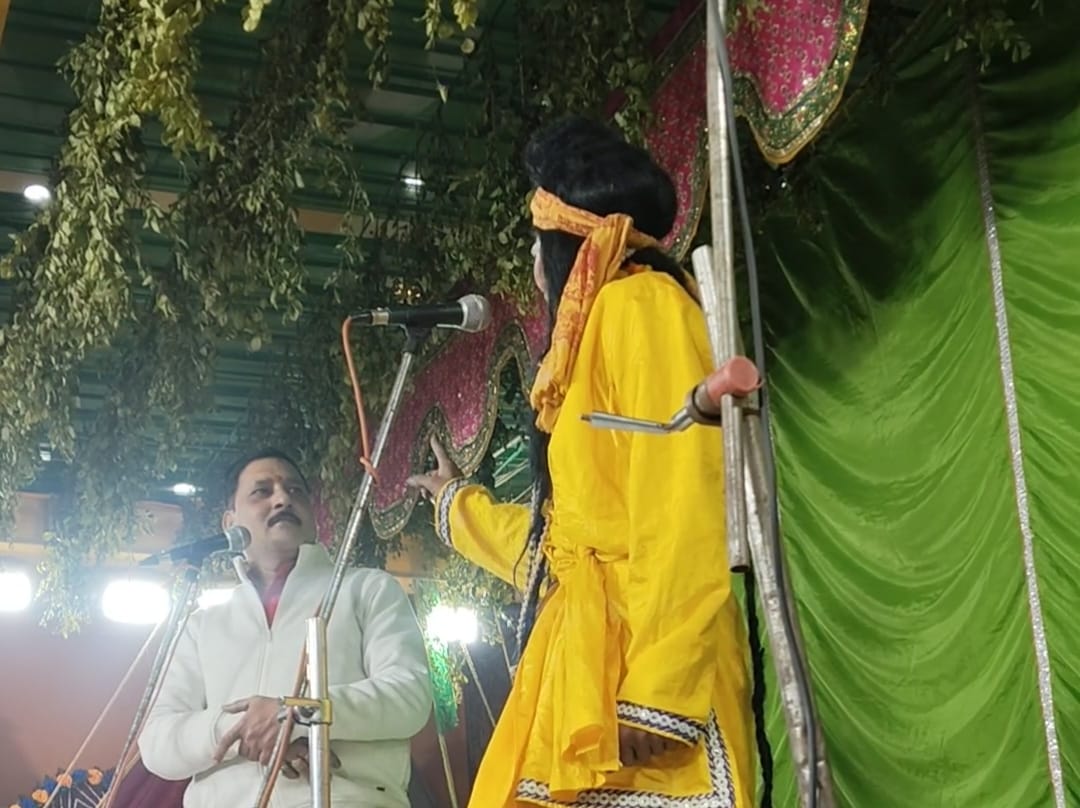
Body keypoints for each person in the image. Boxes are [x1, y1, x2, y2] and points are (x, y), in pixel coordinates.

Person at [409, 116, 756, 807]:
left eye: (534, 244)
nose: (532, 263)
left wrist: (659, 690)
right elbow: (566, 548)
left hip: (646, 679)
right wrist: (457, 507)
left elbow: (684, 500)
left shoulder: (643, 303)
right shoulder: (589, 342)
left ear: (564, 241)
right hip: (579, 665)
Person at [139, 449, 432, 807]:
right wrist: (246, 730)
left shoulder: (366, 588)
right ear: (230, 523)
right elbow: (157, 742)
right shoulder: (202, 624)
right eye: (262, 491)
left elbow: (409, 695)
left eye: (295, 491)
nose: (282, 499)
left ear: (313, 518)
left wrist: (296, 716)